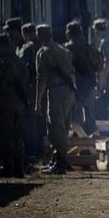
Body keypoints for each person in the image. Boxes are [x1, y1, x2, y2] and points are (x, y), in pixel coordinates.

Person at [34, 24, 75, 175]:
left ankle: (61, 163)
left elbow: (41, 79)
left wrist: (37, 101)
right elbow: (72, 75)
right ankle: (58, 159)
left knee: (55, 128)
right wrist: (74, 97)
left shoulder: (42, 53)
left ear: (39, 36)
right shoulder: (64, 51)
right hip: (68, 92)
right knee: (64, 126)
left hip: (56, 92)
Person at [0, 33, 29, 177]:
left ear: (4, 46)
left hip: (5, 101)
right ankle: (19, 168)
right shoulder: (20, 62)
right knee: (17, 135)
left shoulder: (2, 63)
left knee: (5, 134)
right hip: (19, 101)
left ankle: (8, 168)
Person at [64, 21, 104, 136]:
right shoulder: (91, 49)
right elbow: (100, 71)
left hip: (72, 88)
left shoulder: (65, 50)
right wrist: (99, 88)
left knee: (77, 117)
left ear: (68, 35)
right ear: (81, 34)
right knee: (91, 116)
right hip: (90, 87)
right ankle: (91, 146)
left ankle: (79, 145)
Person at [17, 23, 42, 167]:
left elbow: (22, 69)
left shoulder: (27, 47)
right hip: (41, 86)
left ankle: (31, 153)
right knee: (41, 118)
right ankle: (40, 151)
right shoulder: (41, 46)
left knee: (30, 119)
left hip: (30, 86)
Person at [93, 19, 109, 120]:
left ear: (97, 30)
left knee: (106, 102)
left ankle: (107, 125)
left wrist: (104, 78)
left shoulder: (105, 42)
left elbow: (108, 61)